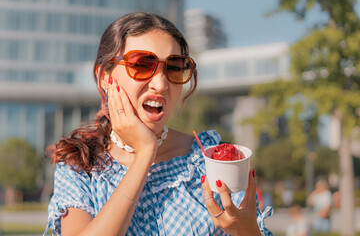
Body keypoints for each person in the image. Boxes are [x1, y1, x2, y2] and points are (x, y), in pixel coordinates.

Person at [43, 12, 273, 236]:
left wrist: (247, 232)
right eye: (142, 64)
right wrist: (145, 152)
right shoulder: (81, 167)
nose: (161, 83)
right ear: (105, 76)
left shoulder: (211, 159)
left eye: (174, 67)